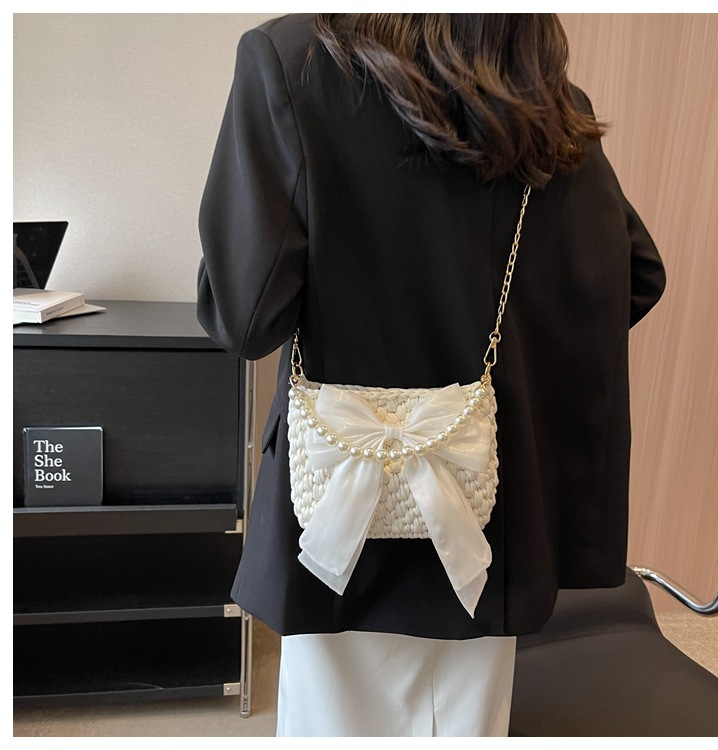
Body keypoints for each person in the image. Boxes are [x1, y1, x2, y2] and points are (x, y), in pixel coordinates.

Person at [197, 13, 666, 737]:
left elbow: (245, 315)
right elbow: (634, 275)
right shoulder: (539, 96)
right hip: (487, 512)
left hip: (339, 509)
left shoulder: (293, 61)